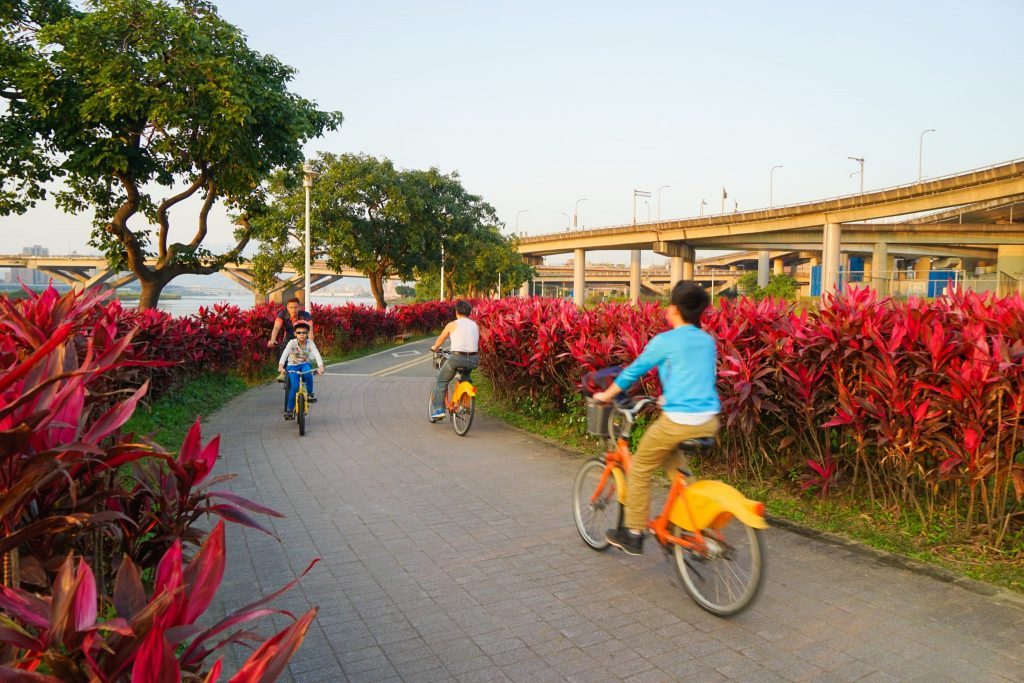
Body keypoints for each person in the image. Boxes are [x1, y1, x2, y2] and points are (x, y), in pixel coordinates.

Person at [592, 281, 720, 555]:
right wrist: (668, 397)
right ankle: (691, 520)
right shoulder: (707, 340)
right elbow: (701, 375)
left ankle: (634, 532)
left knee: (640, 468)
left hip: (679, 421)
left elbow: (632, 372)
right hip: (709, 418)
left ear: (673, 309)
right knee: (677, 469)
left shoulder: (666, 341)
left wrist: (606, 395)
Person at [429, 300, 479, 421]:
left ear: (457, 312)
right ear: (469, 313)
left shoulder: (452, 324)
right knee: (465, 378)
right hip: (473, 359)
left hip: (456, 358)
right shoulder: (475, 325)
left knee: (441, 381)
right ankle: (464, 404)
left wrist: (434, 348)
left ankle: (438, 410)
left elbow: (441, 338)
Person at [277, 321, 324, 420]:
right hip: (292, 366)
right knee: (294, 386)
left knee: (308, 375)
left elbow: (316, 353)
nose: (301, 334)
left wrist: (320, 366)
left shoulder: (310, 343)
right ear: (295, 334)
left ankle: (310, 394)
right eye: (299, 332)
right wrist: (281, 366)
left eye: (304, 332)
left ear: (307, 333)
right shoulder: (292, 343)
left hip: (304, 364)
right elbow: (285, 353)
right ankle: (289, 410)